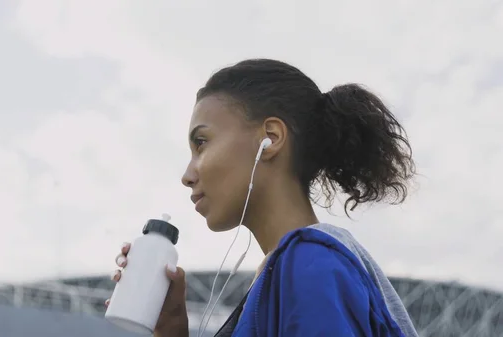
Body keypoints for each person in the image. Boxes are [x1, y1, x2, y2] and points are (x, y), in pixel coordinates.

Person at [105, 59, 419, 336]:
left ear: (270, 139)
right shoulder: (286, 275)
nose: (187, 175)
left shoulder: (311, 265)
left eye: (201, 143)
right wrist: (172, 329)